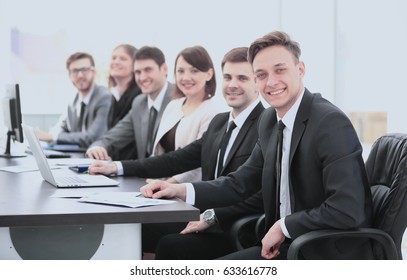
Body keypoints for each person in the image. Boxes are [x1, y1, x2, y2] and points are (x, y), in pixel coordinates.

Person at [140, 31, 374, 260]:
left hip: (322, 251)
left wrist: (284, 226)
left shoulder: (329, 122)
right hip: (284, 247)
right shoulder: (270, 120)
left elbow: (346, 208)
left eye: (280, 70)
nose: (271, 82)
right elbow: (240, 183)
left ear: (300, 70)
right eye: (261, 74)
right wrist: (181, 190)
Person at [88, 47, 265, 257]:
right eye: (228, 77)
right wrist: (117, 167)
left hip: (235, 227)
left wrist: (212, 215)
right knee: (134, 226)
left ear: (257, 82)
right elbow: (176, 160)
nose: (232, 84)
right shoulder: (220, 123)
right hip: (201, 213)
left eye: (242, 78)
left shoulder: (265, 125)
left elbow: (259, 194)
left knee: (171, 245)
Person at [86, 46, 173, 161]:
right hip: (142, 175)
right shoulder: (139, 103)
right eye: (138, 72)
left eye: (148, 70)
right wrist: (97, 147)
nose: (142, 77)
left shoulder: (179, 99)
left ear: (164, 69)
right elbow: (115, 135)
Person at [35, 52, 111, 148]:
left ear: (94, 72)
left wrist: (51, 137)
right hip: (77, 157)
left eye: (84, 70)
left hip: (99, 159)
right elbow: (61, 128)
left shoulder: (104, 97)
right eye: (75, 71)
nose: (80, 75)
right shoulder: (73, 102)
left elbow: (93, 137)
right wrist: (42, 136)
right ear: (69, 75)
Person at [107, 44, 142, 159]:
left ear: (135, 65)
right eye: (114, 58)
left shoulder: (140, 95)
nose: (116, 62)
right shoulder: (114, 95)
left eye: (123, 58)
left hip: (133, 166)